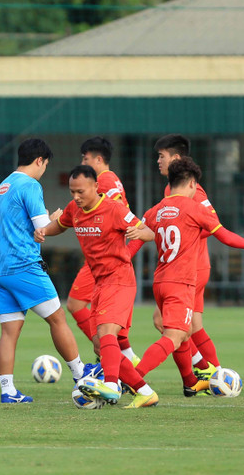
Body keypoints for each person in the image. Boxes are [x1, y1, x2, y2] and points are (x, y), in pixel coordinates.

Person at [126, 157, 244, 406]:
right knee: (174, 335)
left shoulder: (154, 210)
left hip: (159, 282)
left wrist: (121, 259)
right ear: (192, 183)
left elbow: (136, 241)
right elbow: (224, 236)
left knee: (184, 332)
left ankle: (190, 382)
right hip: (181, 282)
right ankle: (134, 379)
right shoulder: (194, 209)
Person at [36, 165, 156, 407]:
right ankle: (144, 391)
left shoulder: (114, 209)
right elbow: (62, 223)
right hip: (99, 282)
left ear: (95, 187)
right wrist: (44, 231)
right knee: (102, 346)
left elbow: (149, 232)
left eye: (80, 191)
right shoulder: (75, 209)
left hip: (119, 279)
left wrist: (138, 232)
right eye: (72, 192)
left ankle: (112, 386)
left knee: (106, 333)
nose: (76, 197)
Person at [0, 138, 87, 403]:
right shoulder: (30, 184)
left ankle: (8, 390)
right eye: (45, 165)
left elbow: (23, 224)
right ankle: (81, 377)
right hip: (23, 265)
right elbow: (43, 227)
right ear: (40, 161)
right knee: (57, 319)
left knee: (9, 332)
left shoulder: (4, 184)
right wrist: (57, 218)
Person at [64, 137, 140, 367]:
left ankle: (116, 357)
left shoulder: (104, 182)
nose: (83, 163)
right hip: (109, 256)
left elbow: (117, 215)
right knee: (111, 321)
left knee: (76, 305)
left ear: (98, 159)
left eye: (85, 159)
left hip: (105, 258)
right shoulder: (113, 178)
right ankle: (119, 356)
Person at [153, 135, 219, 379]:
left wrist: (184, 237)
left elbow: (212, 223)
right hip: (189, 267)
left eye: (162, 156)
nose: (158, 161)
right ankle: (214, 375)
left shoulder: (194, 191)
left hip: (192, 268)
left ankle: (202, 373)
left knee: (166, 323)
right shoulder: (171, 188)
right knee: (192, 327)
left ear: (176, 158)